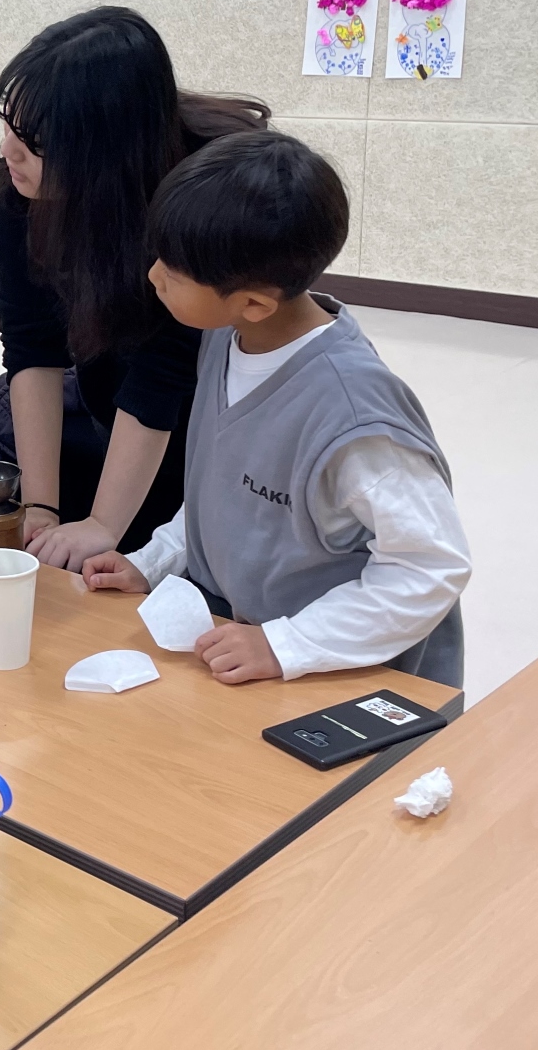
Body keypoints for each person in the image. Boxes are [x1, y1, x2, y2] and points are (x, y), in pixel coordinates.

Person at [81, 131, 470, 686]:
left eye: (174, 271)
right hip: (258, 650)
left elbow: (431, 566)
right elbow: (224, 495)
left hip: (354, 674)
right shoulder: (227, 334)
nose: (153, 276)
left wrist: (288, 643)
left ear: (256, 302)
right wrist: (153, 561)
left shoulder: (353, 413)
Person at [0, 6, 269, 568]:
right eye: (11, 124)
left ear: (101, 148)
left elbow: (165, 369)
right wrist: (41, 504)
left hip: (200, 414)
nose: (10, 151)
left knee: (143, 561)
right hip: (103, 385)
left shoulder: (194, 191)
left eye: (35, 140)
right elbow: (31, 342)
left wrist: (105, 524)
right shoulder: (20, 183)